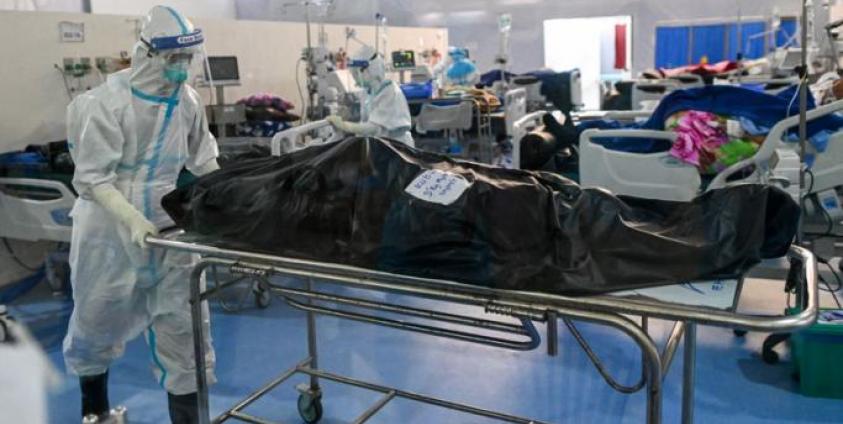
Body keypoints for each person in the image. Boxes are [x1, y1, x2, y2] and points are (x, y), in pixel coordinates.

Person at [63, 6, 218, 423]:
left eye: (187, 57)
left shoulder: (187, 101)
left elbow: (206, 162)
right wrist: (131, 218)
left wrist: (230, 203)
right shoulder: (106, 103)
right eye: (173, 58)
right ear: (148, 53)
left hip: (169, 232)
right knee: (96, 320)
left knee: (186, 332)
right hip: (109, 233)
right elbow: (94, 179)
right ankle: (94, 412)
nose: (181, 67)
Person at [326, 45, 415, 147]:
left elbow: (375, 128)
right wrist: (348, 115)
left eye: (356, 72)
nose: (354, 77)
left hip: (397, 149)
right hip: (380, 146)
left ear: (369, 70)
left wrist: (345, 126)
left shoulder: (390, 92)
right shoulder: (368, 92)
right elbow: (365, 118)